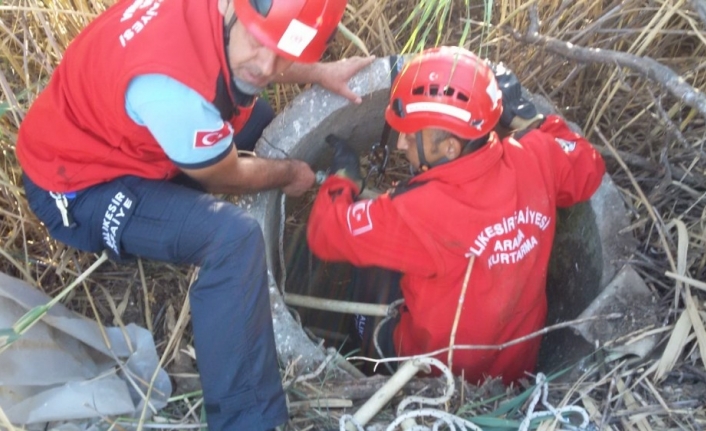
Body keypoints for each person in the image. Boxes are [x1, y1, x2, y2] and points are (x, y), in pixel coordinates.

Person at [15, 0, 374, 428]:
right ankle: (247, 418)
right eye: (260, 43)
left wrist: (318, 72)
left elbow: (263, 52)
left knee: (257, 118)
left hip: (119, 134)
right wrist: (290, 172)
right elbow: (225, 176)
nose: (266, 66)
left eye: (285, 53)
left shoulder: (214, 15)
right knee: (233, 240)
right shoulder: (172, 88)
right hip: (78, 187)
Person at [306, 46, 606, 385]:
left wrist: (343, 181)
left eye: (412, 133)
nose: (402, 144)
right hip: (515, 366)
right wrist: (527, 118)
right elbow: (588, 167)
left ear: (451, 147)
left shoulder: (418, 211)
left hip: (436, 374)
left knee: (370, 269)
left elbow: (326, 231)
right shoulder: (535, 155)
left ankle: (367, 360)